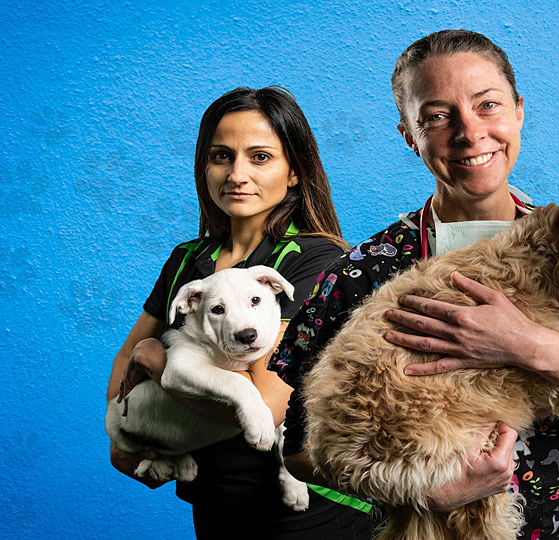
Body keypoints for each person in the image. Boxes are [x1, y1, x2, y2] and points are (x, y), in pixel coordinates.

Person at [270, 30, 559, 539]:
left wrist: (525, 345)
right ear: (409, 134)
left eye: (488, 105)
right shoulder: (363, 272)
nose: (469, 132)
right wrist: (424, 489)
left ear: (518, 111)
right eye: (437, 117)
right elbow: (300, 451)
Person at [104, 86, 369, 539]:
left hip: (307, 513)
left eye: (260, 157)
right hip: (215, 500)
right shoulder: (188, 259)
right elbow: (126, 357)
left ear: (294, 172)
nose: (237, 174)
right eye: (221, 156)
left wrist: (160, 365)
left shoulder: (313, 260)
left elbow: (267, 405)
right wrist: (123, 436)